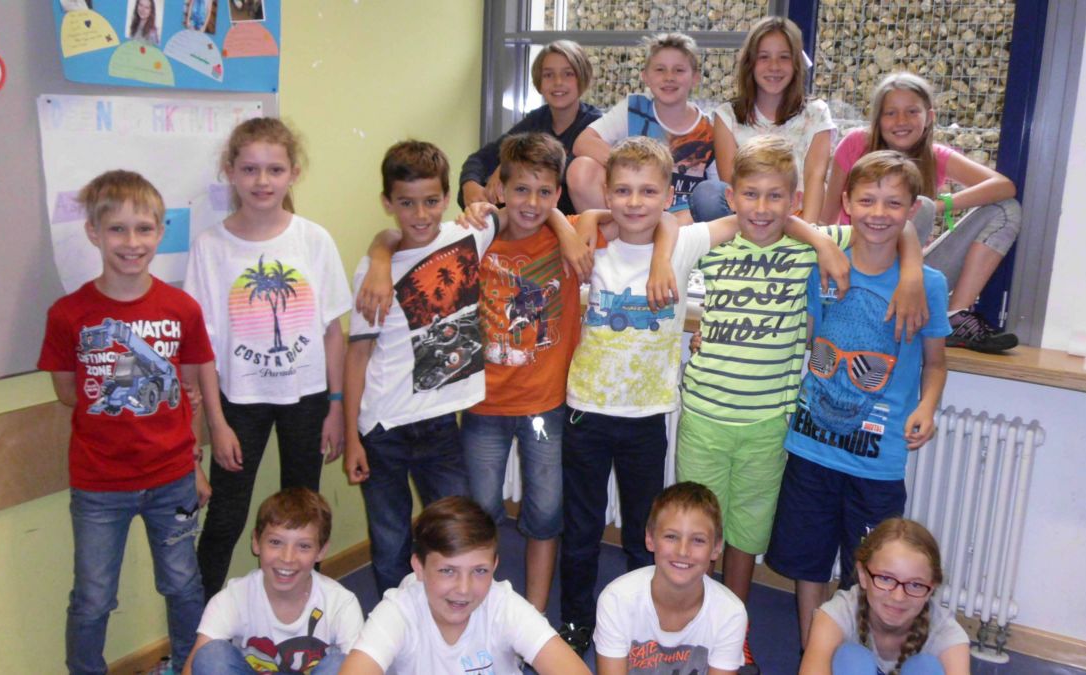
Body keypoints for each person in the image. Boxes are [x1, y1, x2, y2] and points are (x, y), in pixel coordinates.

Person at [677, 135, 926, 673]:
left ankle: (734, 631)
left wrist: (908, 274)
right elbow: (653, 232)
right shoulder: (713, 243)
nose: (762, 208)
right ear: (731, 197)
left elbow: (898, 223)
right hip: (704, 416)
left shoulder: (809, 250)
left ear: (793, 201)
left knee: (745, 535)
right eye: (750, 194)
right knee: (696, 530)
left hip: (769, 423)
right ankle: (694, 628)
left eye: (776, 197)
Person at [556, 136, 814, 656]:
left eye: (648, 191)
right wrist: (582, 221)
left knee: (643, 532)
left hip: (647, 418)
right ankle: (578, 620)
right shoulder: (591, 242)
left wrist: (824, 244)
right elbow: (542, 214)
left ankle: (644, 623)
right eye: (622, 191)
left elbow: (752, 217)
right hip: (586, 411)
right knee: (581, 527)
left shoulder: (685, 244)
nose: (634, 202)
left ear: (669, 194)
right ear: (606, 193)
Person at [766, 150, 951, 648]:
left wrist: (927, 406)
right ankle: (813, 649)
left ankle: (855, 654)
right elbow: (802, 336)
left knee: (870, 570)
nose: (878, 213)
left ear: (912, 210)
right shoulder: (823, 269)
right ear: (846, 202)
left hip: (878, 464)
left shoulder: (928, 285)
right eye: (867, 200)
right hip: (810, 451)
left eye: (893, 203)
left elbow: (935, 363)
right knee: (808, 564)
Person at [38, 170, 214, 675]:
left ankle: (188, 666)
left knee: (183, 584)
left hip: (172, 480)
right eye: (117, 229)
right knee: (93, 597)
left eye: (144, 229)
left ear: (160, 233)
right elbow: (68, 393)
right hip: (99, 487)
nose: (131, 242)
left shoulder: (181, 309)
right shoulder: (68, 313)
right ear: (93, 232)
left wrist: (194, 465)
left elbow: (188, 396)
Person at [186, 117, 350, 602]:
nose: (262, 181)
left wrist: (336, 407)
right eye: (250, 169)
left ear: (293, 173)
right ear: (230, 172)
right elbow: (202, 349)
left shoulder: (313, 240)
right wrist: (215, 423)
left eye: (275, 170)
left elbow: (332, 333)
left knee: (305, 515)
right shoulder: (210, 247)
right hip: (238, 403)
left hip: (307, 399)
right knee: (226, 516)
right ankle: (197, 625)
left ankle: (303, 610)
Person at [342, 140, 494, 596]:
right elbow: (357, 357)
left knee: (454, 534)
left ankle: (453, 617)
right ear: (388, 203)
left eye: (431, 201)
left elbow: (526, 210)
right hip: (382, 427)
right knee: (389, 540)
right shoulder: (372, 272)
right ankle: (395, 622)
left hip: (440, 426)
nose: (420, 214)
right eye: (406, 203)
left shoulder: (467, 236)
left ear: (447, 199)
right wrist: (351, 438)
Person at [450, 132, 593, 613]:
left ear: (558, 194)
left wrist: (562, 222)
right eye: (521, 190)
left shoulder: (567, 235)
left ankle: (533, 613)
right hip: (483, 406)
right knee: (480, 511)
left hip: (544, 408)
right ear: (501, 189)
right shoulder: (478, 236)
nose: (532, 203)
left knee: (546, 512)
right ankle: (482, 608)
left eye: (545, 192)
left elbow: (636, 218)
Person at [820, 72, 1022, 353]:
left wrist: (941, 204)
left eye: (912, 112)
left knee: (1006, 209)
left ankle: (955, 316)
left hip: (912, 272)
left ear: (929, 117)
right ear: (877, 119)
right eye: (891, 113)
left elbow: (1004, 186)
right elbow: (826, 216)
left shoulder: (936, 156)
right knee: (924, 207)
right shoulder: (856, 144)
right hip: (856, 269)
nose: (901, 121)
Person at [338, 496, 590, 675]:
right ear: (419, 567)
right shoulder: (399, 611)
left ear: (494, 565)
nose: (464, 589)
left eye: (480, 571)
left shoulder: (502, 605)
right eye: (448, 571)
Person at [183, 488, 363, 675]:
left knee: (342, 664)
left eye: (303, 546)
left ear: (321, 551)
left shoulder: (340, 604)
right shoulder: (234, 598)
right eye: (276, 542)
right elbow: (195, 667)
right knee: (211, 656)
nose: (287, 558)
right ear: (256, 542)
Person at [692, 16, 836, 224]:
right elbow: (732, 184)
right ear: (750, 63)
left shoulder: (816, 113)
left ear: (796, 63)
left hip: (796, 221)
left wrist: (808, 231)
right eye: (764, 57)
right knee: (709, 194)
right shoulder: (727, 116)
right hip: (747, 219)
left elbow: (816, 176)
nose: (774, 66)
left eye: (784, 57)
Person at [593, 482, 748, 674]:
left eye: (698, 540)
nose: (683, 551)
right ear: (650, 539)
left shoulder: (730, 613)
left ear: (716, 548)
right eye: (671, 537)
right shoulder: (616, 600)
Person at [567, 32, 718, 224]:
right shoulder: (634, 109)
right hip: (630, 208)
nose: (669, 77)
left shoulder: (710, 129)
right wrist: (633, 167)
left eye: (679, 70)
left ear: (695, 78)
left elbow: (718, 190)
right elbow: (583, 142)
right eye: (660, 69)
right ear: (645, 76)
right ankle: (612, 235)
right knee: (581, 169)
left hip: (679, 218)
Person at [800, 518, 971, 675]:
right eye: (886, 578)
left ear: (931, 589)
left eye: (915, 584)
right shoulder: (837, 615)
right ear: (862, 575)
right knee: (851, 659)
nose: (898, 597)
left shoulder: (946, 634)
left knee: (925, 668)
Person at [459, 40, 601, 215]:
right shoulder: (536, 120)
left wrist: (506, 167)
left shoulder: (595, 126)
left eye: (568, 74)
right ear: (539, 81)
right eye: (548, 75)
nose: (558, 82)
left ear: (582, 78)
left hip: (571, 217)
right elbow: (481, 158)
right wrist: (470, 184)